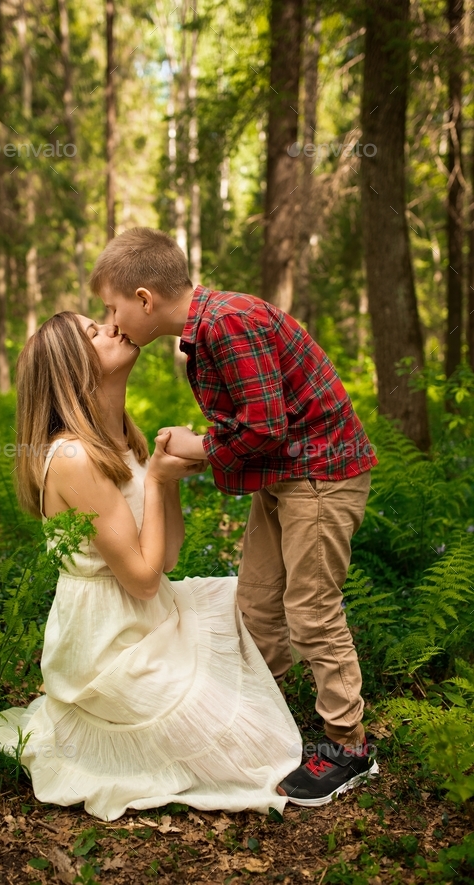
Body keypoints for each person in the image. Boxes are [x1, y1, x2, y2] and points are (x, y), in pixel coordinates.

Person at [89, 228, 380, 807]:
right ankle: (259, 716)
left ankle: (349, 746)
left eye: (113, 307)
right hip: (286, 475)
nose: (113, 322)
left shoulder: (226, 323)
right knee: (256, 599)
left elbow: (266, 427)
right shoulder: (209, 328)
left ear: (145, 299)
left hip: (320, 474)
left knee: (310, 609)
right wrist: (203, 441)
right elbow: (258, 417)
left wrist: (198, 447)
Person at [0, 311, 302, 822]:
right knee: (250, 748)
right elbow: (140, 577)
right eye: (94, 332)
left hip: (150, 611)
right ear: (74, 370)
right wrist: (155, 481)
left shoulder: (122, 437)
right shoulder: (71, 457)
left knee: (246, 608)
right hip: (109, 640)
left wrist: (165, 476)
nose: (112, 327)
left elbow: (168, 556)